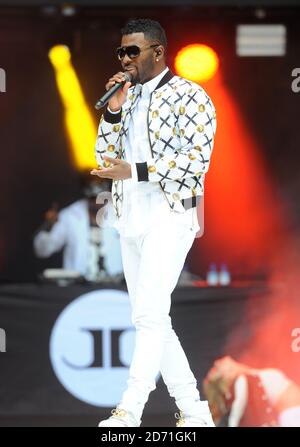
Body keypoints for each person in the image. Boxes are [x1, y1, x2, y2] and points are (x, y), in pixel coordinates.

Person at [91, 18, 217, 427]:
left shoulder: (190, 95)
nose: (125, 59)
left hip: (172, 213)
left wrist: (137, 171)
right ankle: (194, 410)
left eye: (133, 51)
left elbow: (196, 163)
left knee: (148, 315)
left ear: (158, 52)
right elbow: (103, 157)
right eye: (121, 52)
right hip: (131, 217)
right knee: (150, 316)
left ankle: (129, 408)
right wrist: (111, 110)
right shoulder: (124, 99)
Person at [33, 173, 123, 281]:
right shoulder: (70, 215)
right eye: (93, 198)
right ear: (86, 196)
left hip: (115, 286)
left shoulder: (121, 212)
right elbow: (42, 251)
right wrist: (48, 226)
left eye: (101, 197)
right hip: (78, 287)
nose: (97, 202)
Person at [203, 356, 300, 427]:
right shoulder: (243, 380)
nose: (216, 362)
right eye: (216, 368)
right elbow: (238, 408)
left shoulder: (250, 376)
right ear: (225, 376)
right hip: (292, 417)